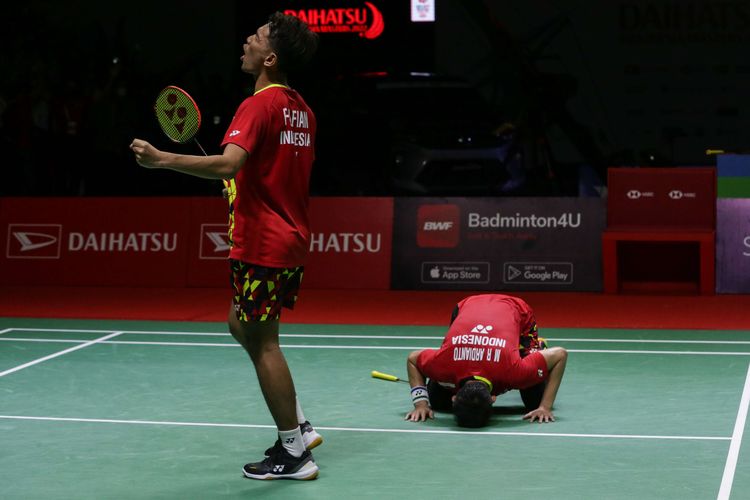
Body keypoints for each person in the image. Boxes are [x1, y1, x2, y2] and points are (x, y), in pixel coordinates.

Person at [130, 12, 321, 480]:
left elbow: (226, 163)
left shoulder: (256, 106)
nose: (247, 42)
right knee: (240, 324)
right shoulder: (302, 110)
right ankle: (299, 424)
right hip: (290, 238)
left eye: (256, 38)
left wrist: (162, 160)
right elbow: (271, 171)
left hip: (262, 243)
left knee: (265, 344)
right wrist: (244, 186)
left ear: (270, 58)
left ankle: (294, 451)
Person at [404, 294, 568, 427]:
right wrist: (421, 404)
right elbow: (413, 359)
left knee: (535, 401)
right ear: (493, 398)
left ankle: (537, 350)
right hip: (467, 305)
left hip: (516, 309)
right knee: (438, 400)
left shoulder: (514, 371)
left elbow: (559, 354)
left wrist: (544, 407)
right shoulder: (444, 365)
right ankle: (439, 382)